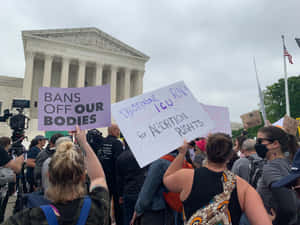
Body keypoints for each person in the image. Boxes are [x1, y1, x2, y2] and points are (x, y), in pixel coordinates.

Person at [2, 125, 110, 225]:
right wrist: (84, 143)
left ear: (49, 176)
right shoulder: (98, 209)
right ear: (83, 177)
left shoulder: (28, 218)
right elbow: (98, 178)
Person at [163, 133, 271, 225]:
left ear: (206, 151)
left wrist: (181, 154)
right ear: (230, 156)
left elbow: (167, 178)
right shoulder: (243, 188)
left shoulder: (187, 177)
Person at [131, 150, 192, 225]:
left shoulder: (159, 163)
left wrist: (138, 210)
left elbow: (147, 192)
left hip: (156, 211)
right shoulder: (180, 159)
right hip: (173, 209)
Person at [255, 126, 299, 225]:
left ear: (275, 144)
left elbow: (288, 206)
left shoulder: (271, 168)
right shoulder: (290, 163)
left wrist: (276, 221)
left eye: (260, 141)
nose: (256, 145)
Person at [98, 124, 123, 225]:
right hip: (115, 178)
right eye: (118, 130)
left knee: (105, 203)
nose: (119, 132)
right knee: (118, 204)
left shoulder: (102, 142)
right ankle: (119, 222)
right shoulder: (117, 143)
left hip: (103, 177)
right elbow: (120, 162)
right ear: (113, 130)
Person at [116, 147, 147, 225]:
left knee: (128, 219)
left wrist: (120, 195)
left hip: (128, 191)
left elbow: (119, 179)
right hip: (141, 191)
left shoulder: (120, 157)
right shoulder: (142, 155)